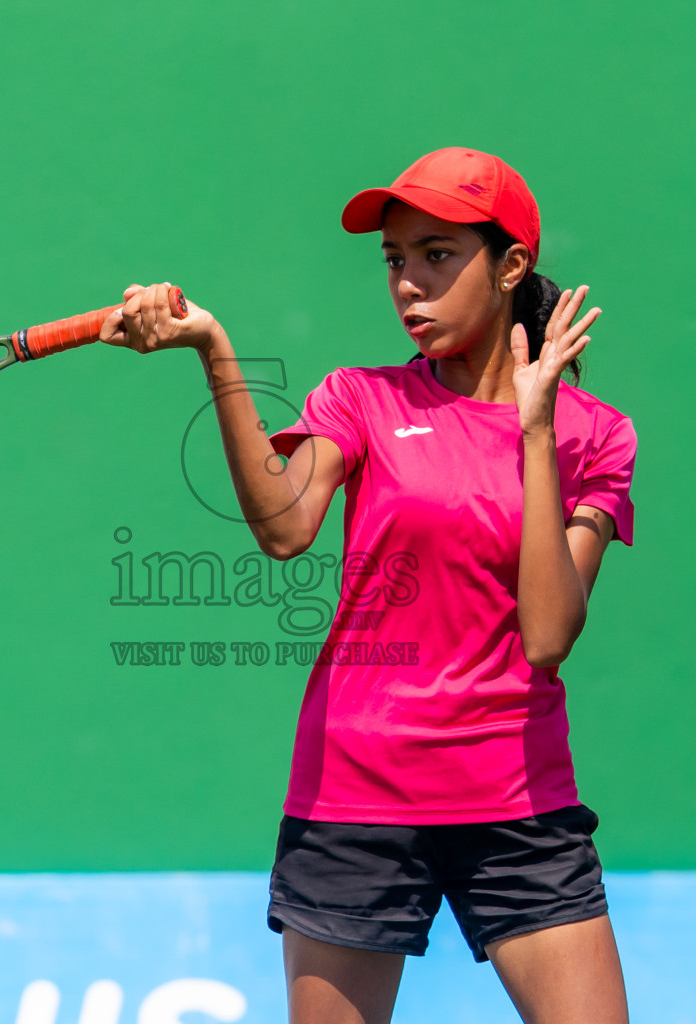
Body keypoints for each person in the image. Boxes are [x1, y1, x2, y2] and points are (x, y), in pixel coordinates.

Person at [101, 147, 636, 1024]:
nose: (408, 286)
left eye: (437, 256)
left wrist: (534, 433)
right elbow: (283, 527)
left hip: (520, 804)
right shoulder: (360, 399)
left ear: (509, 267)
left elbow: (546, 637)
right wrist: (213, 347)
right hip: (355, 796)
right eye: (395, 260)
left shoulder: (594, 436)